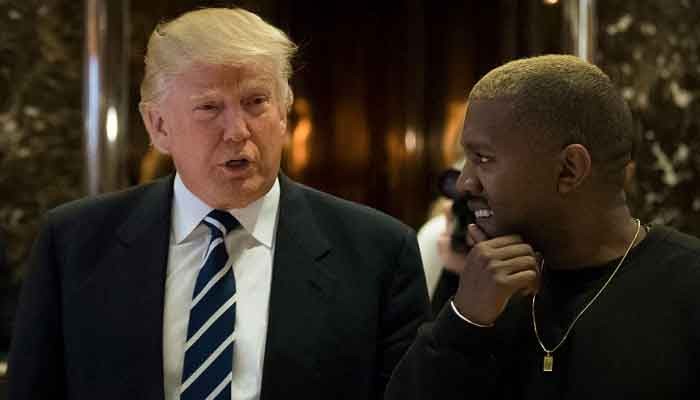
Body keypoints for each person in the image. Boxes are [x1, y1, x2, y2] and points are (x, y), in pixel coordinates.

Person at [9, 8, 429, 400]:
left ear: (284, 113)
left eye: (256, 102)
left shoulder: (378, 253)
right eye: (210, 108)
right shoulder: (74, 244)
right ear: (158, 126)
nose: (237, 131)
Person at [385, 54, 700, 399]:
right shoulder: (482, 285)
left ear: (569, 169)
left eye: (483, 158)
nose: (464, 183)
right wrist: (464, 321)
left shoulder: (687, 286)